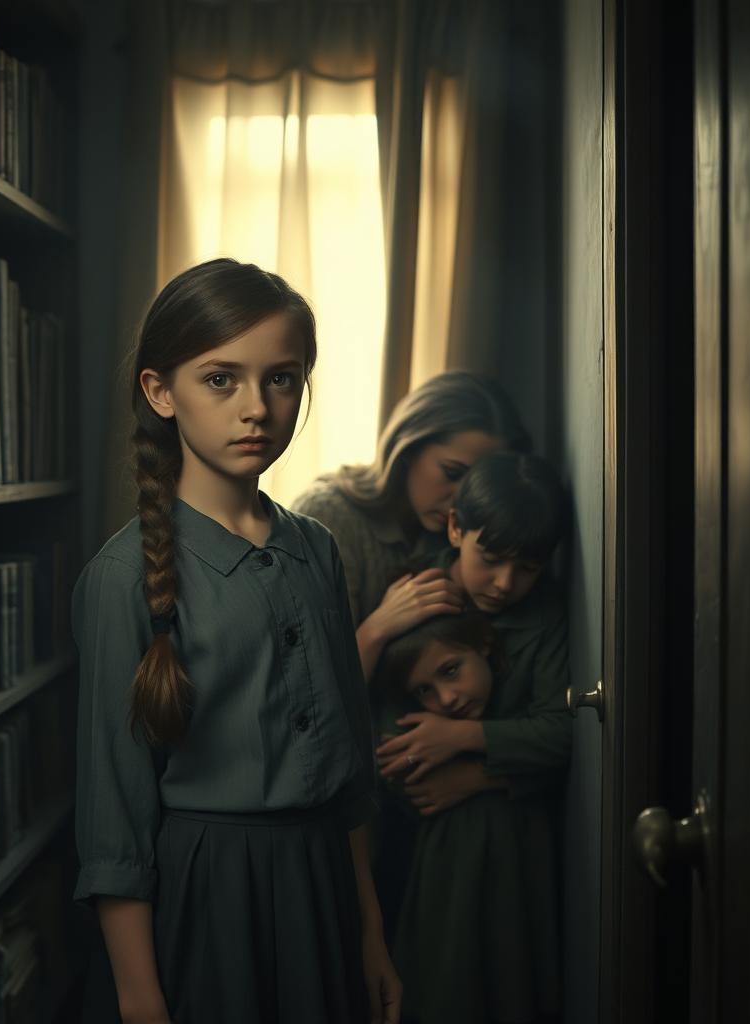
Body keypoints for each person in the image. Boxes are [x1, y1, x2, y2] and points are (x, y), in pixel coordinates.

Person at [71, 258, 401, 1024]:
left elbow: (348, 774)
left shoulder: (317, 549)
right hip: (209, 896)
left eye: (281, 380)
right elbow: (114, 823)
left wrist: (372, 932)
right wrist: (140, 998)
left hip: (325, 883)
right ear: (161, 392)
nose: (256, 407)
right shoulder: (122, 579)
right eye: (221, 380)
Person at [291, 371, 532, 942]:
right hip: (336, 800)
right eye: (451, 474)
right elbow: (295, 693)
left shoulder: (465, 536)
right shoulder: (328, 518)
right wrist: (378, 628)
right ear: (407, 446)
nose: (460, 498)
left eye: (475, 482)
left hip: (425, 805)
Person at [374, 450, 571, 1024]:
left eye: (529, 568)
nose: (507, 584)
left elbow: (564, 733)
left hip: (519, 846)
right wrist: (496, 761)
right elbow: (394, 752)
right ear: (457, 528)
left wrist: (470, 756)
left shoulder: (547, 614)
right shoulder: (417, 600)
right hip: (430, 853)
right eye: (491, 559)